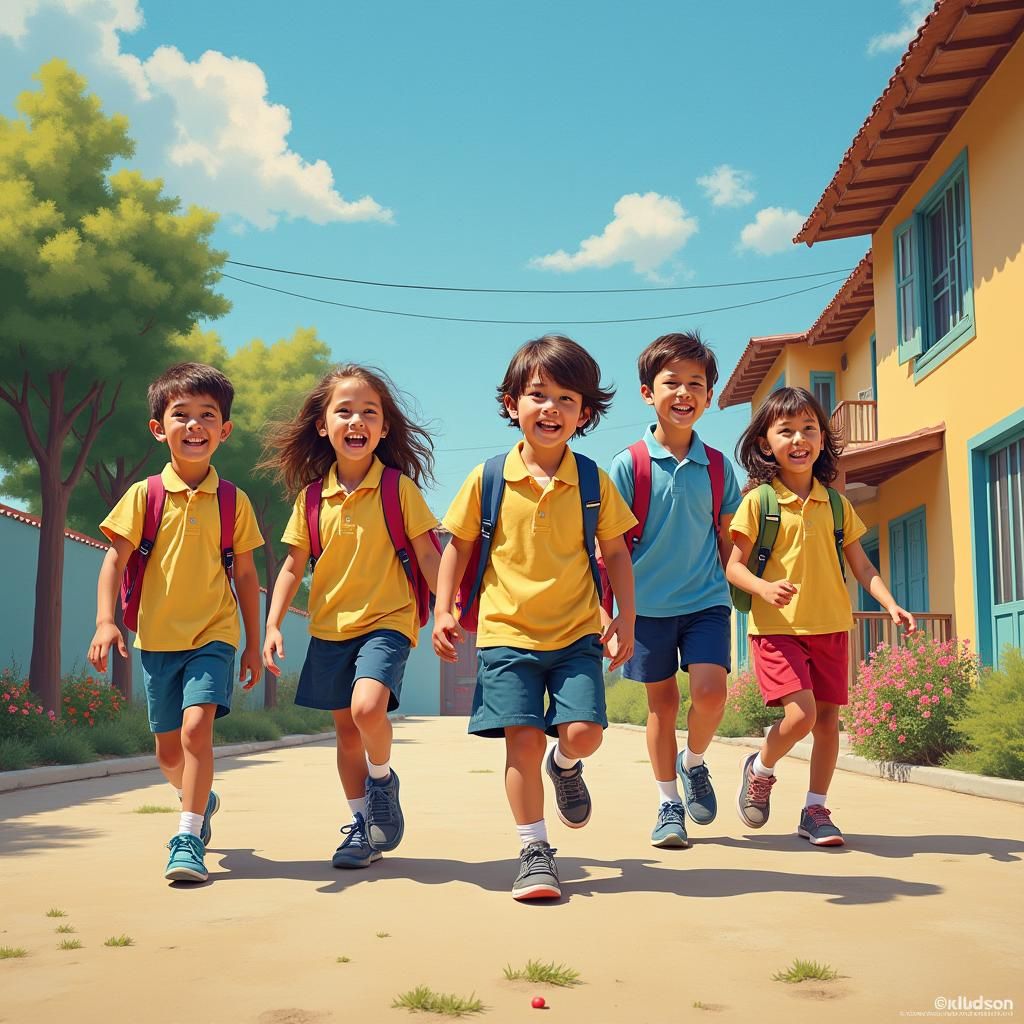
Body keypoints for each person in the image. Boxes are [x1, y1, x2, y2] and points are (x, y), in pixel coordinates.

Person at [433, 335, 637, 900]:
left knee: (584, 734)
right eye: (538, 395)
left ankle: (566, 766)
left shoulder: (593, 481)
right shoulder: (487, 478)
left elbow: (616, 551)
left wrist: (627, 618)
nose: (551, 409)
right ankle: (534, 848)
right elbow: (456, 545)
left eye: (567, 399)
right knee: (519, 740)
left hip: (576, 634)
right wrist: (443, 608)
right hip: (505, 635)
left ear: (585, 413)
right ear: (511, 404)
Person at [89, 362, 264, 882]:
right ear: (158, 428)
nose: (194, 426)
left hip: (213, 635)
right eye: (180, 415)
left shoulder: (233, 501)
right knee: (169, 752)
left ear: (224, 430)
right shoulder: (145, 495)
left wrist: (252, 644)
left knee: (195, 731)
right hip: (157, 640)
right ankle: (201, 799)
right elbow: (114, 561)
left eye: (207, 416)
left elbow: (248, 575)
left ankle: (187, 836)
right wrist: (106, 621)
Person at [261, 365, 440, 869]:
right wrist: (272, 624)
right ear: (323, 425)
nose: (357, 420)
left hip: (388, 619)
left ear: (384, 429)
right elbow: (294, 564)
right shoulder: (312, 499)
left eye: (370, 412)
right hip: (329, 627)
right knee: (344, 733)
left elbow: (428, 555)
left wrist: (448, 607)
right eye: (344, 410)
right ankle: (360, 824)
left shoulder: (397, 489)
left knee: (366, 711)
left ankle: (382, 778)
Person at [726, 386, 915, 846]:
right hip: (777, 630)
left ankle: (815, 809)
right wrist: (764, 587)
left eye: (809, 428)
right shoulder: (759, 502)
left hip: (832, 624)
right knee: (802, 715)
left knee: (828, 720)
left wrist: (889, 601)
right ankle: (761, 766)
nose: (799, 439)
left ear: (823, 438)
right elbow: (732, 565)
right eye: (785, 430)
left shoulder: (836, 504)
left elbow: (862, 564)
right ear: (765, 443)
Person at [607, 332, 741, 849]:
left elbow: (727, 540)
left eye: (696, 384)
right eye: (672, 383)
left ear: (708, 397)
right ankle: (668, 804)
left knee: (711, 693)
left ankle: (695, 762)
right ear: (648, 393)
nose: (684, 393)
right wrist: (614, 613)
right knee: (662, 706)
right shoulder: (628, 465)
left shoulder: (718, 467)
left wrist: (751, 581)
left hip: (706, 599)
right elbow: (609, 548)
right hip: (647, 610)